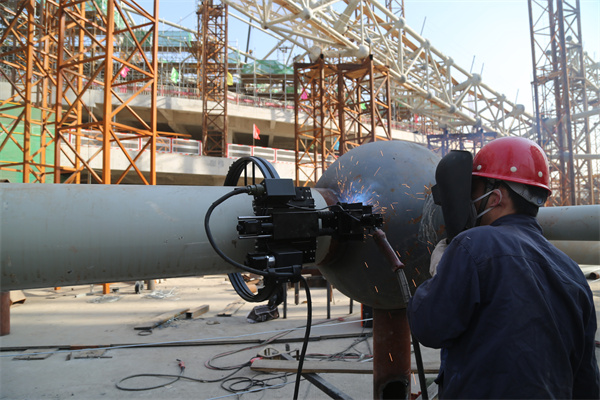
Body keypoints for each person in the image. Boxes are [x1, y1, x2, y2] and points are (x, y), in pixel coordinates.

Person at [407, 136, 600, 399]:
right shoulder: (571, 270)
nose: (471, 202)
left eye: (475, 192)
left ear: (495, 197)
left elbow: (429, 327)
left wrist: (440, 276)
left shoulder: (473, 244)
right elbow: (586, 381)